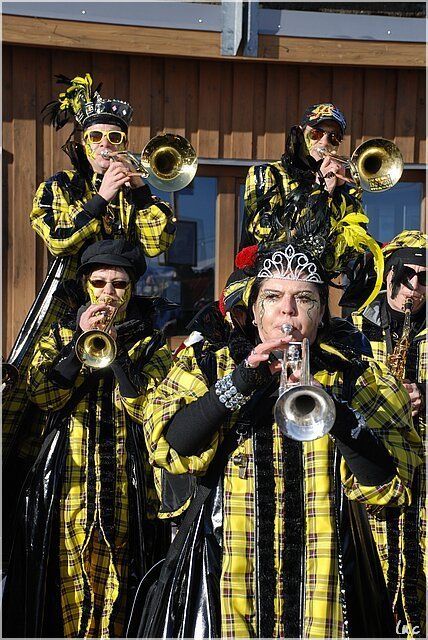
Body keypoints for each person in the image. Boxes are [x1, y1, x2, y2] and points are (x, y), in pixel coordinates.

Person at [135, 240, 421, 639]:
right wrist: (240, 382)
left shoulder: (359, 376)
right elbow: (170, 445)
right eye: (273, 297)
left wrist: (335, 412)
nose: (287, 310)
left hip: (326, 586)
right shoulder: (208, 363)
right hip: (225, 577)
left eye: (304, 299)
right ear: (255, 312)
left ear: (320, 315)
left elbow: (392, 485)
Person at [2, 73, 176, 553]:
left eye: (115, 138)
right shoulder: (58, 186)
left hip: (124, 300)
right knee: (25, 399)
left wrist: (140, 192)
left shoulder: (137, 191)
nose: (104, 145)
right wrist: (100, 197)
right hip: (66, 304)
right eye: (95, 136)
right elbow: (57, 237)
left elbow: (159, 242)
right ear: (81, 141)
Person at [3, 239, 173, 639]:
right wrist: (78, 345)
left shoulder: (150, 341)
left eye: (119, 284)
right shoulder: (58, 333)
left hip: (127, 486)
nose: (108, 293)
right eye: (99, 283)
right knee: (62, 583)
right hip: (67, 483)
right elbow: (44, 395)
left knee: (123, 590)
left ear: (131, 288)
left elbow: (148, 409)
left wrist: (120, 355)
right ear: (85, 286)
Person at [349, 230, 427, 637]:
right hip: (372, 470)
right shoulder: (354, 328)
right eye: (407, 274)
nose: (415, 286)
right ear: (389, 273)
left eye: (425, 277)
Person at [240, 102, 364, 249]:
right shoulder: (268, 173)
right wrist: (320, 193)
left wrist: (341, 192)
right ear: (300, 134)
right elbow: (266, 239)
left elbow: (356, 246)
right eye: (316, 134)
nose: (324, 142)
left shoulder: (346, 190)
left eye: (334, 137)